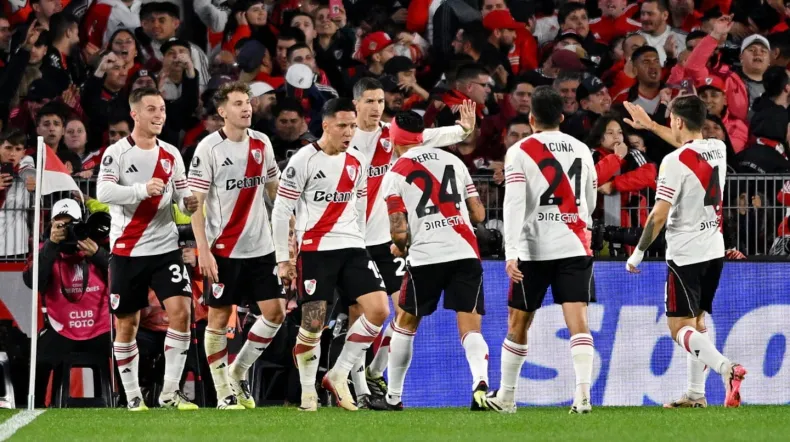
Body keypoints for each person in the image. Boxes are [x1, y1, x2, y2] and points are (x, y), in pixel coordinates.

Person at [348, 77, 476, 405]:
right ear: (356, 104)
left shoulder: (393, 135)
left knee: (400, 311)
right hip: (352, 239)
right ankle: (359, 388)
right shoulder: (345, 137)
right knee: (359, 315)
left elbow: (432, 136)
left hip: (388, 240)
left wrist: (463, 129)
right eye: (370, 101)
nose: (376, 108)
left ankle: (375, 372)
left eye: (380, 101)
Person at [622, 96, 747, 408]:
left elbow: (658, 215)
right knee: (697, 324)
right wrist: (652, 126)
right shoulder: (717, 148)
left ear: (677, 121)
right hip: (714, 249)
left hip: (685, 254)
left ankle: (727, 369)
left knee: (679, 328)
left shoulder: (673, 162)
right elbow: (687, 144)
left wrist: (638, 252)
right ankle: (695, 394)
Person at [271, 98, 390, 412]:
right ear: (326, 125)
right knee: (313, 323)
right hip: (316, 250)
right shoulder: (303, 160)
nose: (349, 132)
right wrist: (283, 258)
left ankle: (338, 374)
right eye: (342, 126)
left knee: (379, 310)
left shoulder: (358, 160)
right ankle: (307, 392)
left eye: (352, 126)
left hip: (352, 247)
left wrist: (361, 240)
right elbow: (281, 210)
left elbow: (360, 204)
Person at [486, 86, 597, 414]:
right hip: (575, 244)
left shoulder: (520, 151)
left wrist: (511, 251)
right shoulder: (581, 149)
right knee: (578, 321)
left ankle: (506, 397)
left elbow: (514, 203)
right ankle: (582, 394)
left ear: (531, 118)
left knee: (518, 321)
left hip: (533, 250)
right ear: (562, 117)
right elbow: (590, 198)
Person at [97, 87, 199, 411]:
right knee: (127, 324)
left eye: (162, 109)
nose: (159, 115)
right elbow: (103, 192)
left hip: (165, 247)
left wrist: (188, 202)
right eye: (152, 109)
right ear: (135, 114)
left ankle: (169, 393)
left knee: (181, 313)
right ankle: (133, 397)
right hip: (127, 251)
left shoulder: (171, 153)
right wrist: (141, 190)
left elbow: (181, 193)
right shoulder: (117, 153)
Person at [379, 109, 488, 411]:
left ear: (394, 139)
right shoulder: (454, 161)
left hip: (426, 257)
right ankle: (480, 381)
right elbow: (479, 213)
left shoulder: (395, 174)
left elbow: (398, 229)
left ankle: (393, 397)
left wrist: (400, 247)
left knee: (405, 324)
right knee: (471, 328)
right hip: (465, 253)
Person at [188, 81, 286, 410]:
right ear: (222, 111)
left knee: (275, 313)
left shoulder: (262, 142)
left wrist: (289, 229)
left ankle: (238, 371)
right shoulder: (209, 149)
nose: (246, 108)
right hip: (224, 249)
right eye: (238, 103)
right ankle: (223, 394)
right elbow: (196, 204)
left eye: (248, 102)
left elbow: (274, 191)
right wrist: (203, 250)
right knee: (218, 319)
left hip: (261, 247)